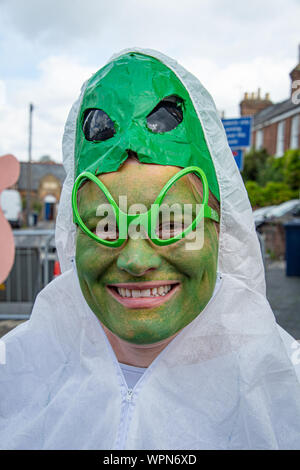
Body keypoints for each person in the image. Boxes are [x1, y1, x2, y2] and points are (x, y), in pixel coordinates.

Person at [1, 48, 300, 450]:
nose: (136, 260)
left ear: (222, 228)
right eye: (105, 225)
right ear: (74, 235)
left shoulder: (285, 388)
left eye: (173, 223)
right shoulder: (16, 376)